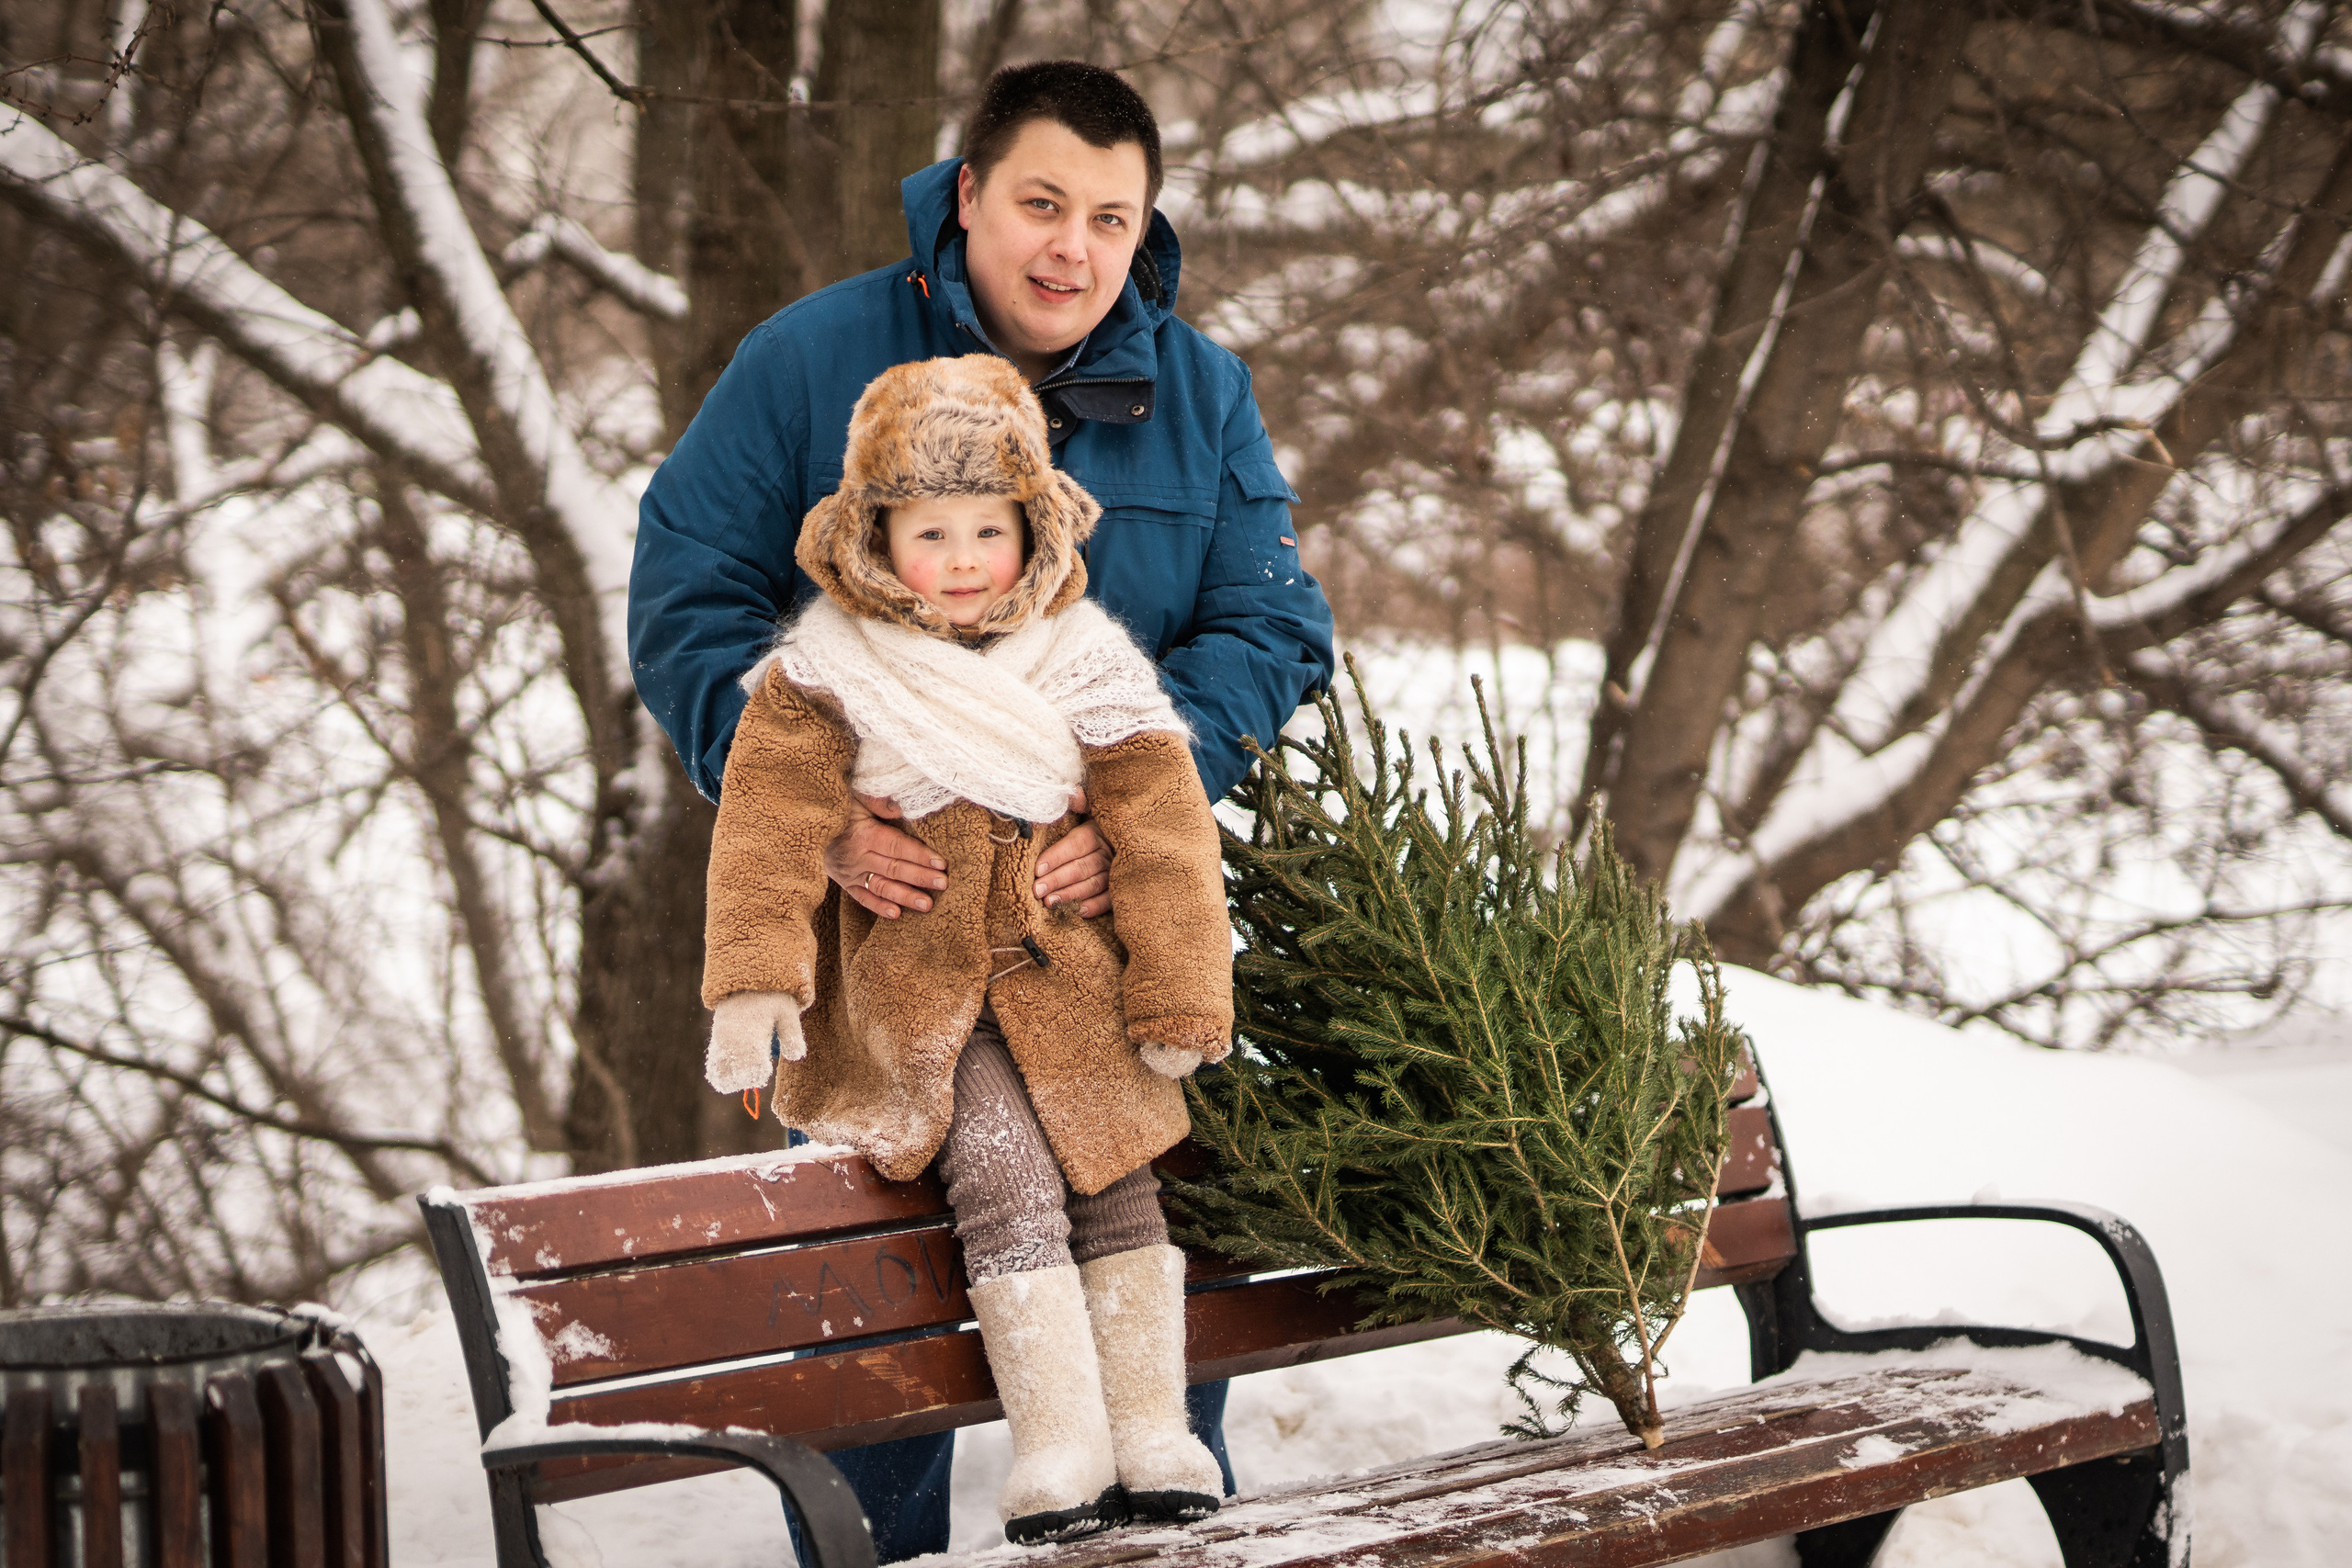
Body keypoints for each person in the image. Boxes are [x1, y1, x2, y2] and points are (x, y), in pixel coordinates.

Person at [628, 58, 1335, 1559]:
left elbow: (1273, 622)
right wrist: (806, 819)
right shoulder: (813, 361)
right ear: (967, 200)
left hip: (1096, 947)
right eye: (1039, 202)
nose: (1072, 245)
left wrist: (1144, 796)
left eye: (1111, 215)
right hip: (889, 949)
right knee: (885, 1342)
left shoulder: (1197, 393)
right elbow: (687, 590)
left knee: (1130, 1254)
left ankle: (1152, 1507)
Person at [703, 354, 1233, 1543]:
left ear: (1030, 532)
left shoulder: (1086, 660)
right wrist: (752, 985)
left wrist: (1183, 985)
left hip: (1075, 993)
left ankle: (1153, 1431)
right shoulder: (826, 671)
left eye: (984, 531)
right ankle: (1059, 1446)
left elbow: (1162, 827)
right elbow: (767, 826)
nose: (956, 560)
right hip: (922, 1012)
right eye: (926, 531)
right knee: (1003, 1180)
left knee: (1118, 1176)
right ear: (872, 538)